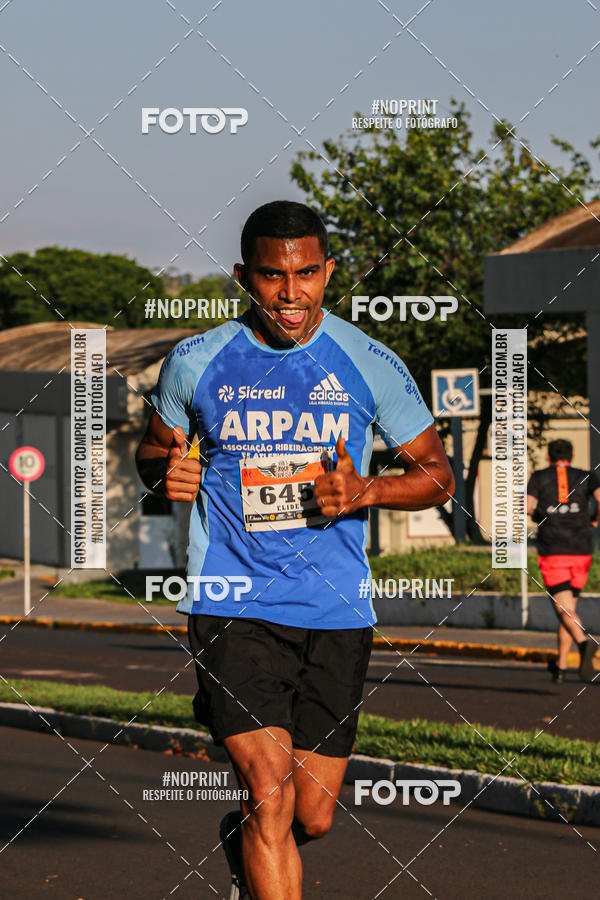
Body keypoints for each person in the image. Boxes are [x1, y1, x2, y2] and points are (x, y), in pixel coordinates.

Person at [136, 200, 454, 900]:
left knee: (310, 814)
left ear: (328, 272)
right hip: (233, 603)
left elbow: (437, 475)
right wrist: (166, 472)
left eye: (307, 274)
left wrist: (366, 492)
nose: (291, 294)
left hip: (335, 610)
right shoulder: (196, 361)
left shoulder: (369, 362)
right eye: (273, 276)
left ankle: (244, 840)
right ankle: (258, 829)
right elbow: (154, 452)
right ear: (245, 276)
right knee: (272, 795)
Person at [526, 438, 600, 683]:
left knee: (563, 609)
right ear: (571, 455)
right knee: (569, 611)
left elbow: (527, 507)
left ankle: (583, 644)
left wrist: (540, 516)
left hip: (554, 548)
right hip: (582, 550)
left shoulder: (539, 477)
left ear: (548, 456)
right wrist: (593, 519)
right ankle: (560, 667)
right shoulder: (585, 475)